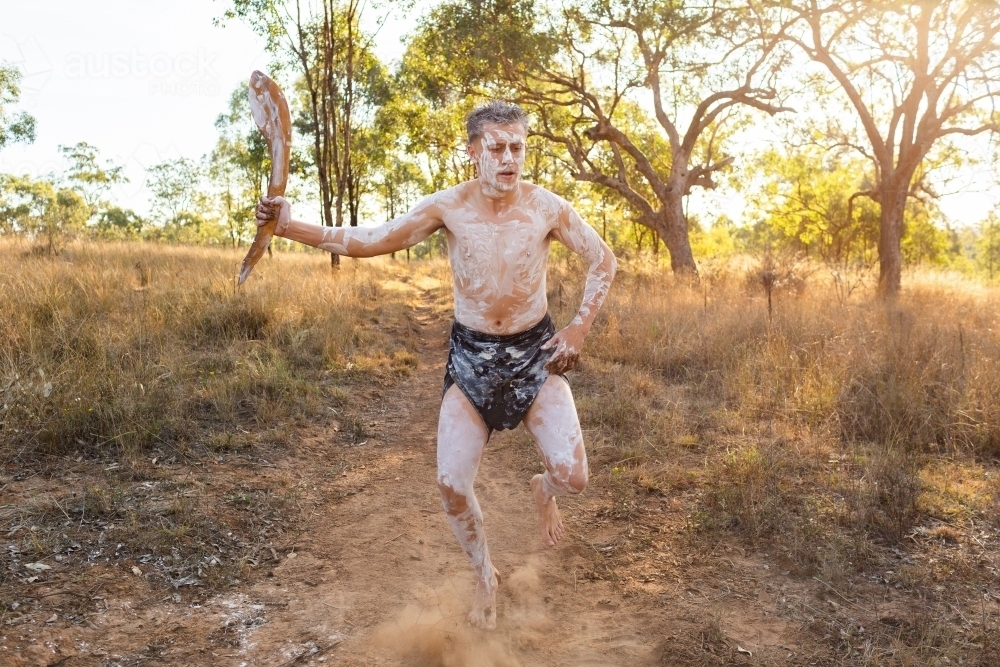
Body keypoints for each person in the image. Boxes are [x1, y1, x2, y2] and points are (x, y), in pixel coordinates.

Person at [255, 101, 616, 630]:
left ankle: (543, 491)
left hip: (534, 355)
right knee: (450, 483)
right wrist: (290, 227)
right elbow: (372, 240)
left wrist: (579, 327)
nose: (508, 158)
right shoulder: (448, 207)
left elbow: (602, 259)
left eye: (517, 147)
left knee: (574, 477)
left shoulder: (547, 208)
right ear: (473, 151)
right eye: (496, 147)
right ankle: (485, 577)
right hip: (471, 358)